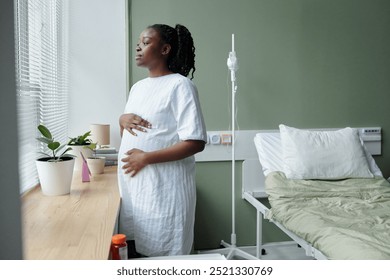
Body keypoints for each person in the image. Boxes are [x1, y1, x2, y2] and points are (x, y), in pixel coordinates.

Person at [117, 23, 207, 257]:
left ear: (165, 49)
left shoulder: (181, 85)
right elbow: (131, 138)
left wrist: (146, 158)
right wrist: (122, 121)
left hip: (165, 192)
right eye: (138, 43)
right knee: (139, 256)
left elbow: (196, 141)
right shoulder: (137, 88)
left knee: (167, 258)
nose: (138, 48)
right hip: (136, 192)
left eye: (146, 43)